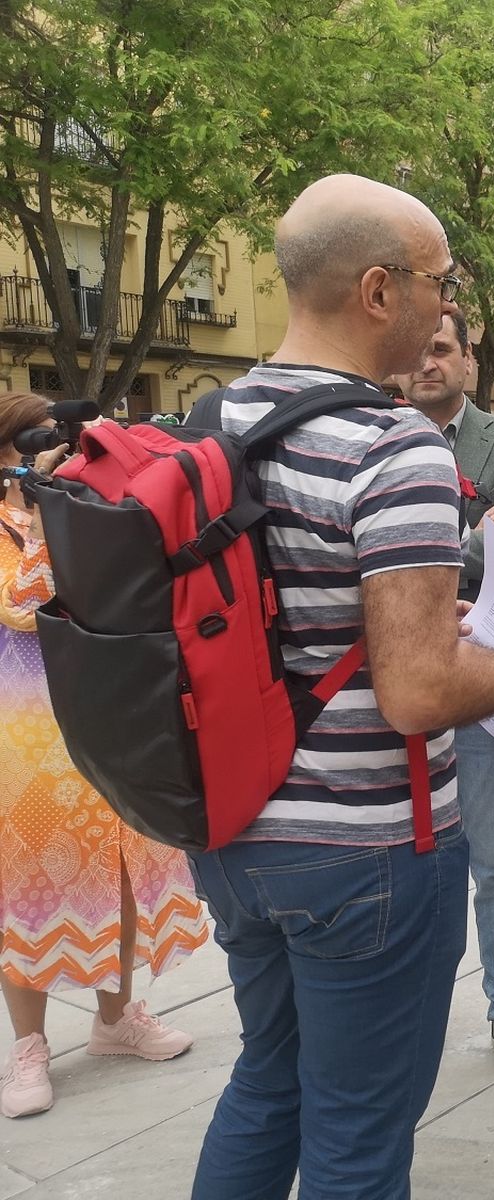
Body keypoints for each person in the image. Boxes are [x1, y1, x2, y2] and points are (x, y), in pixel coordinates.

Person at [186, 174, 494, 1199]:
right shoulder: (392, 442)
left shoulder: (204, 422)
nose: (445, 304)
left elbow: (290, 619)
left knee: (265, 1084)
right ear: (378, 291)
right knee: (359, 1139)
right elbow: (417, 697)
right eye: (437, 281)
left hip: (232, 830)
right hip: (364, 851)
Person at [0, 394, 206, 1120]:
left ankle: (116, 1019)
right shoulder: (14, 517)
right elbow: (22, 605)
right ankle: (29, 1047)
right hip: (25, 735)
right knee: (27, 885)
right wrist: (37, 512)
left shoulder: (66, 502)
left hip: (99, 712)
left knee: (119, 863)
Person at [395, 310, 494, 1084]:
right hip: (390, 688)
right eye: (417, 350)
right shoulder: (375, 440)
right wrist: (467, 539)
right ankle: (404, 1017)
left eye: (442, 349)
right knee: (401, 862)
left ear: (465, 361)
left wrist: (467, 548)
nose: (428, 362)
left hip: (486, 688)